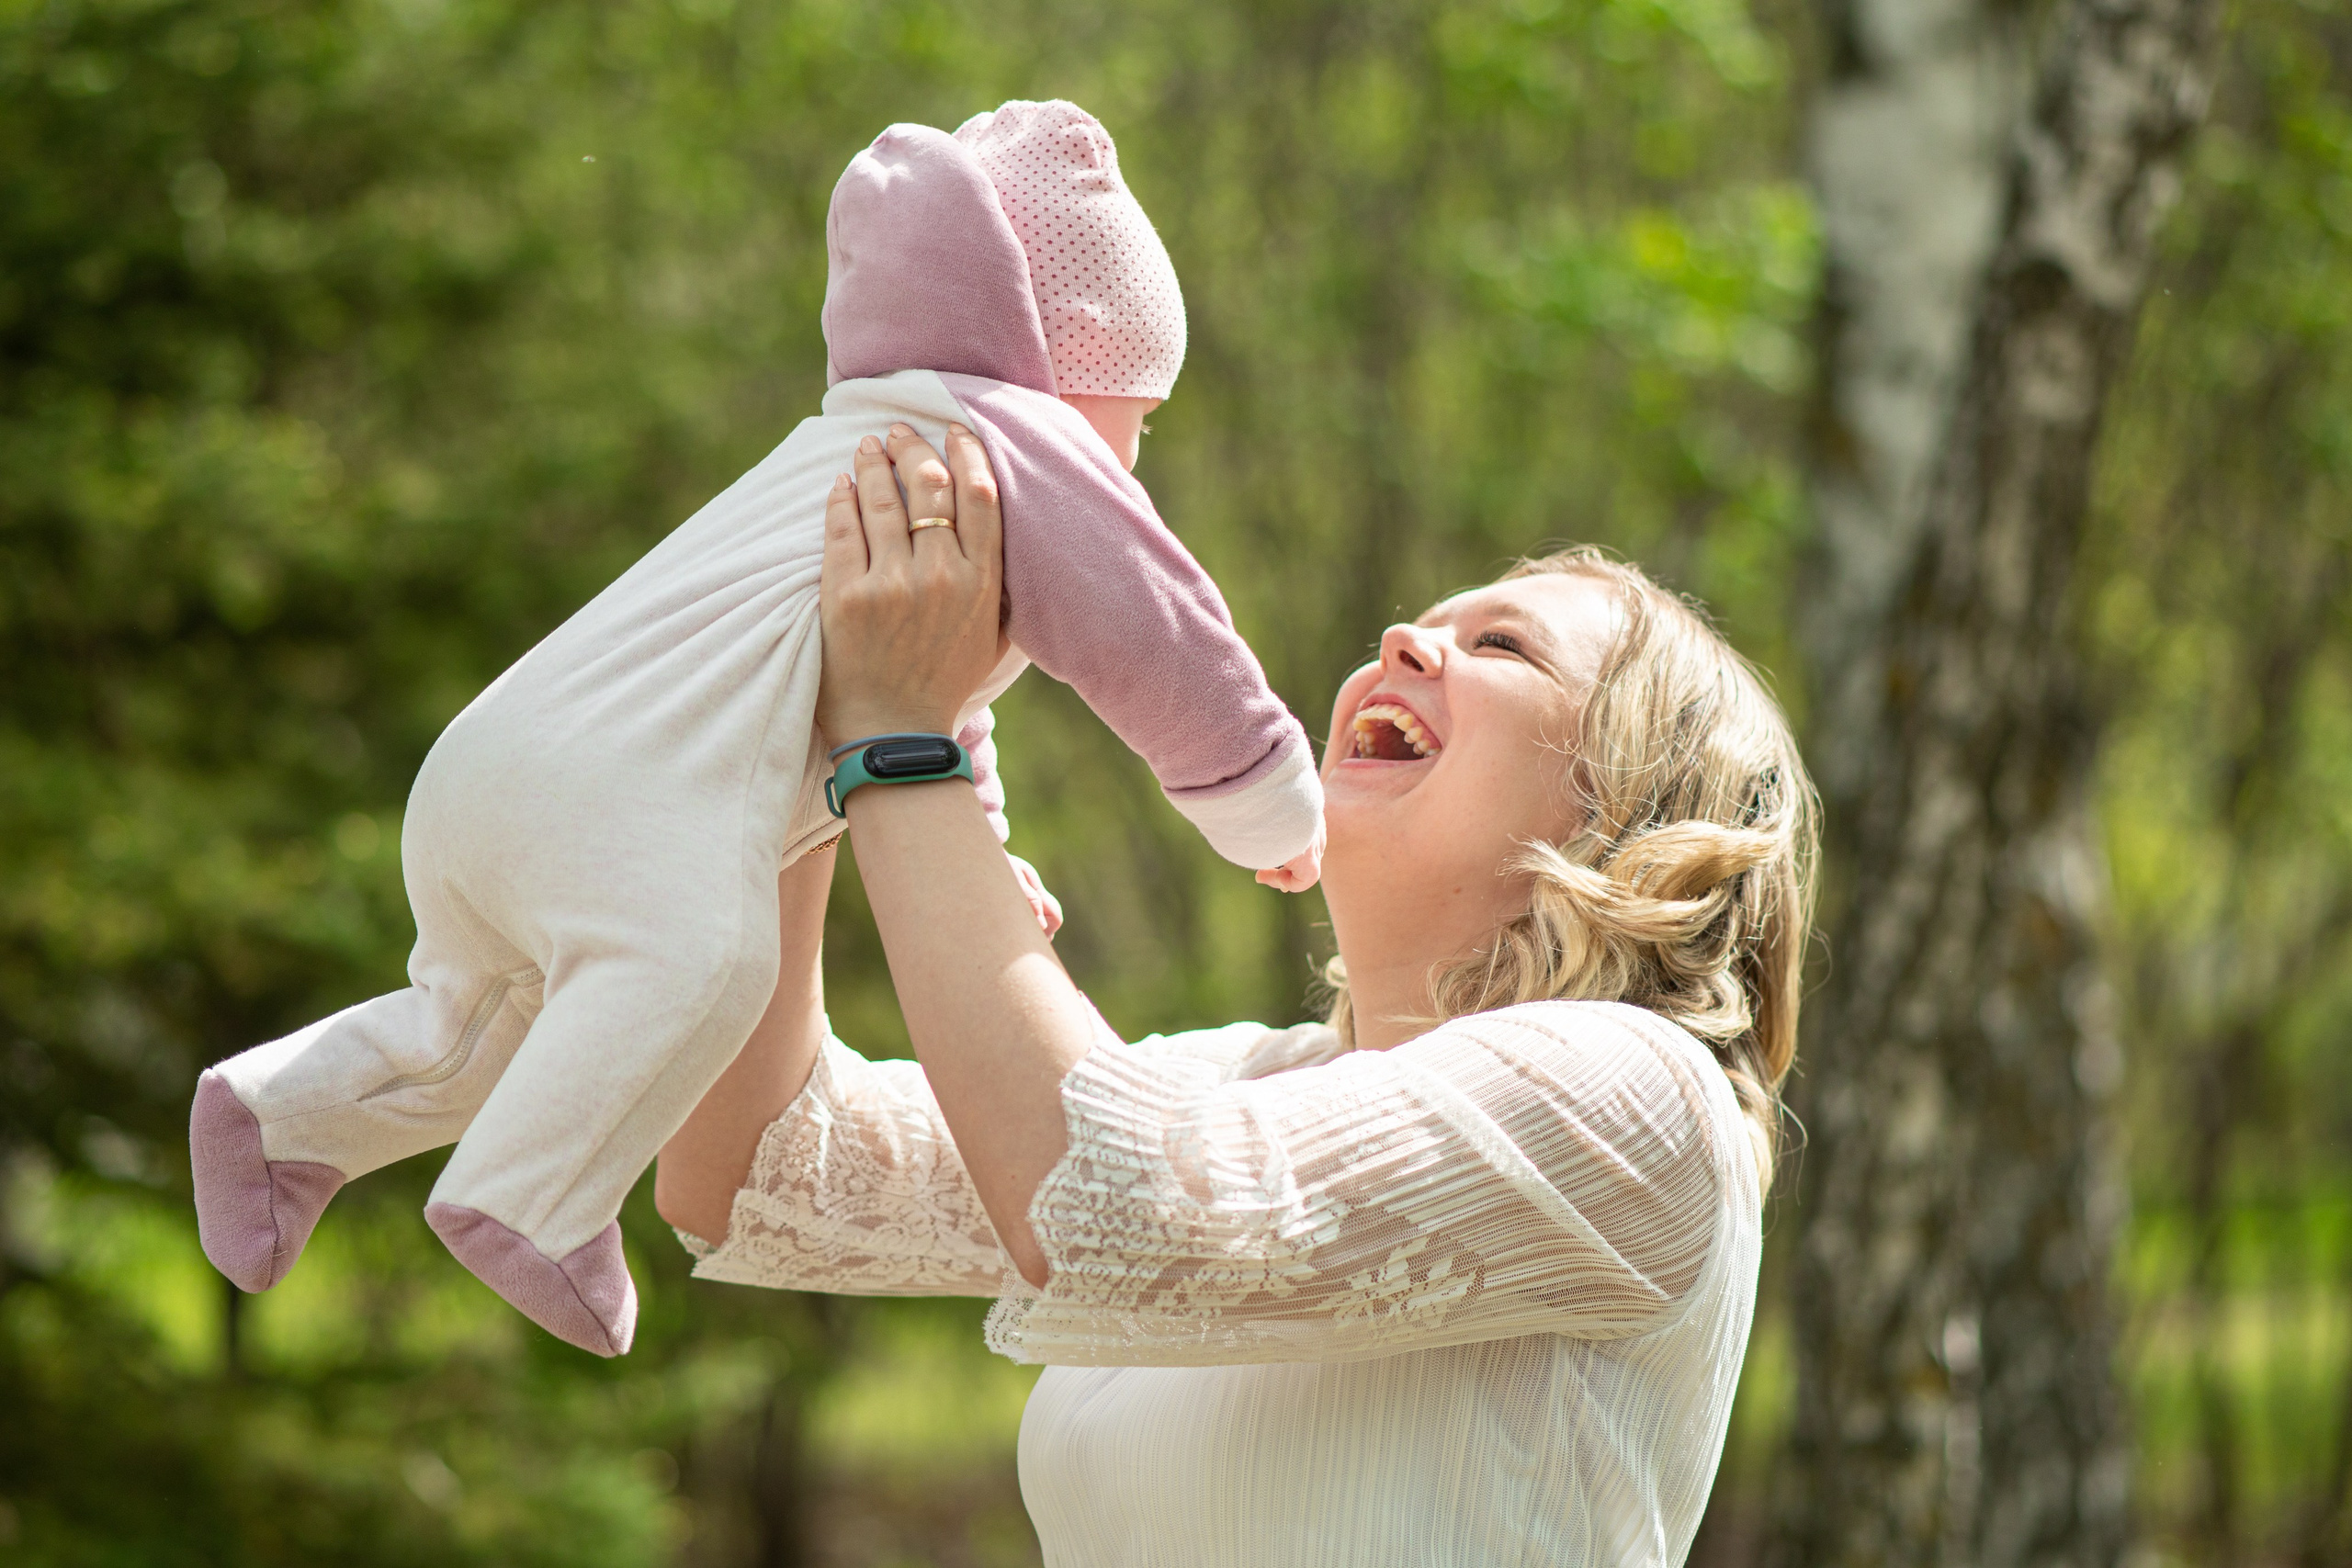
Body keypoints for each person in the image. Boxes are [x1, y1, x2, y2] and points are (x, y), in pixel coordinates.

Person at [187, 100, 1326, 1359]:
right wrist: (1266, 797)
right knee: (708, 966)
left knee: (484, 1014)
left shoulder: (849, 447)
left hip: (483, 775)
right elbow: (1162, 631)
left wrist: (980, 863)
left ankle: (277, 1117)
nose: (1137, 452)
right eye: (1142, 414)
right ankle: (533, 1198)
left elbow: (930, 687)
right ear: (1077, 367)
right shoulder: (1024, 448)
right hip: (608, 811)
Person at [656, 424, 1817, 1565]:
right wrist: (818, 736)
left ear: (1627, 808)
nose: (1404, 638)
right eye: (1425, 622)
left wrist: (910, 748)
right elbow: (756, 1171)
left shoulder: (1641, 1096)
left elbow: (1116, 1205)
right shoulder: (1243, 1081)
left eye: (1505, 646)